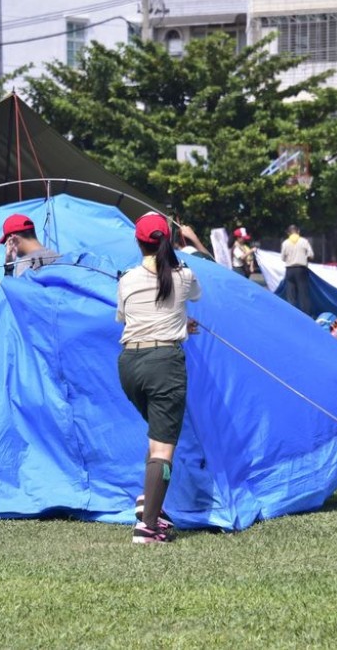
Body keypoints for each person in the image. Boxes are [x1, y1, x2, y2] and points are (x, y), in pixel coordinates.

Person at [117, 213, 201, 545]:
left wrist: (178, 324)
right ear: (169, 240)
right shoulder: (184, 275)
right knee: (163, 448)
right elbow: (194, 293)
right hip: (164, 363)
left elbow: (129, 318)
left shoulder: (126, 279)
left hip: (129, 365)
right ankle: (148, 528)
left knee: (156, 439)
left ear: (138, 242)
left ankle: (149, 501)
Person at [281, 224, 314, 316]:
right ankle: (306, 315)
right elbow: (311, 255)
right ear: (298, 231)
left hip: (289, 270)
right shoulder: (304, 241)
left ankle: (292, 315)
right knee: (303, 293)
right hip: (301, 269)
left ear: (288, 233)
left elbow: (283, 258)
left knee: (291, 295)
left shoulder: (285, 243)